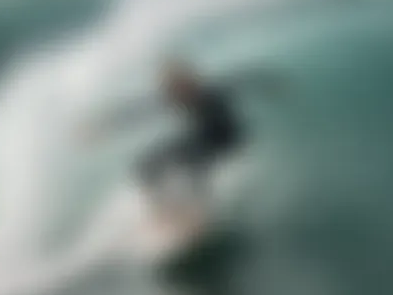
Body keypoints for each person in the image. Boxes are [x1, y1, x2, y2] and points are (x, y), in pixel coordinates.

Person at [85, 58, 281, 211]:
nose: (178, 92)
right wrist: (102, 126)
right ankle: (163, 211)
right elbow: (136, 111)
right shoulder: (172, 97)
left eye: (181, 84)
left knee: (194, 164)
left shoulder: (209, 90)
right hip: (201, 139)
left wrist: (270, 83)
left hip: (228, 138)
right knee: (146, 165)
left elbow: (245, 79)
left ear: (190, 80)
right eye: (172, 87)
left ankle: (202, 210)